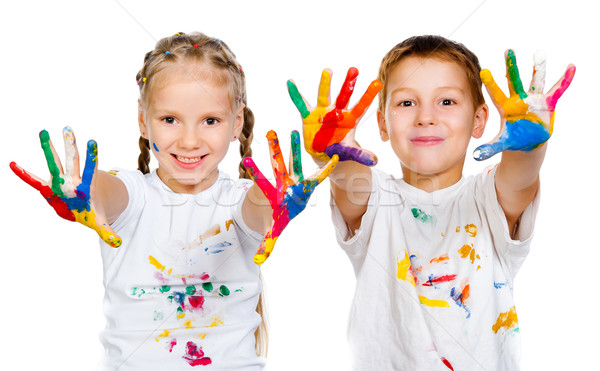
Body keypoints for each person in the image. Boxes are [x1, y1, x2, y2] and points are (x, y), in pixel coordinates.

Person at [10, 31, 335, 370]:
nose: (190, 140)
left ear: (236, 123)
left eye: (210, 121)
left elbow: (259, 209)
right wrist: (82, 193)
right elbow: (105, 193)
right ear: (143, 121)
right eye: (170, 120)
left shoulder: (238, 200)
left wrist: (277, 201)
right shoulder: (134, 194)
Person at [287, 35, 575, 370]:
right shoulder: (376, 198)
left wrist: (530, 146)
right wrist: (333, 151)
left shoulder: (488, 197)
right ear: (382, 122)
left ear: (479, 120)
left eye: (447, 102)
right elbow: (350, 181)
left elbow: (520, 176)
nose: (426, 117)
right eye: (407, 103)